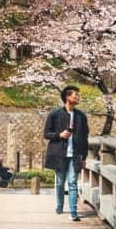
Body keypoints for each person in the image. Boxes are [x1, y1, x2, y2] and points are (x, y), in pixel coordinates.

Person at [43, 85, 89, 221]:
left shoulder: (81, 116)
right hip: (59, 154)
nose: (78, 97)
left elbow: (85, 137)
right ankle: (59, 205)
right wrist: (60, 135)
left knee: (73, 182)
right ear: (68, 97)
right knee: (60, 182)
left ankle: (73, 212)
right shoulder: (55, 114)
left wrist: (84, 157)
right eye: (75, 95)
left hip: (75, 155)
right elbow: (46, 134)